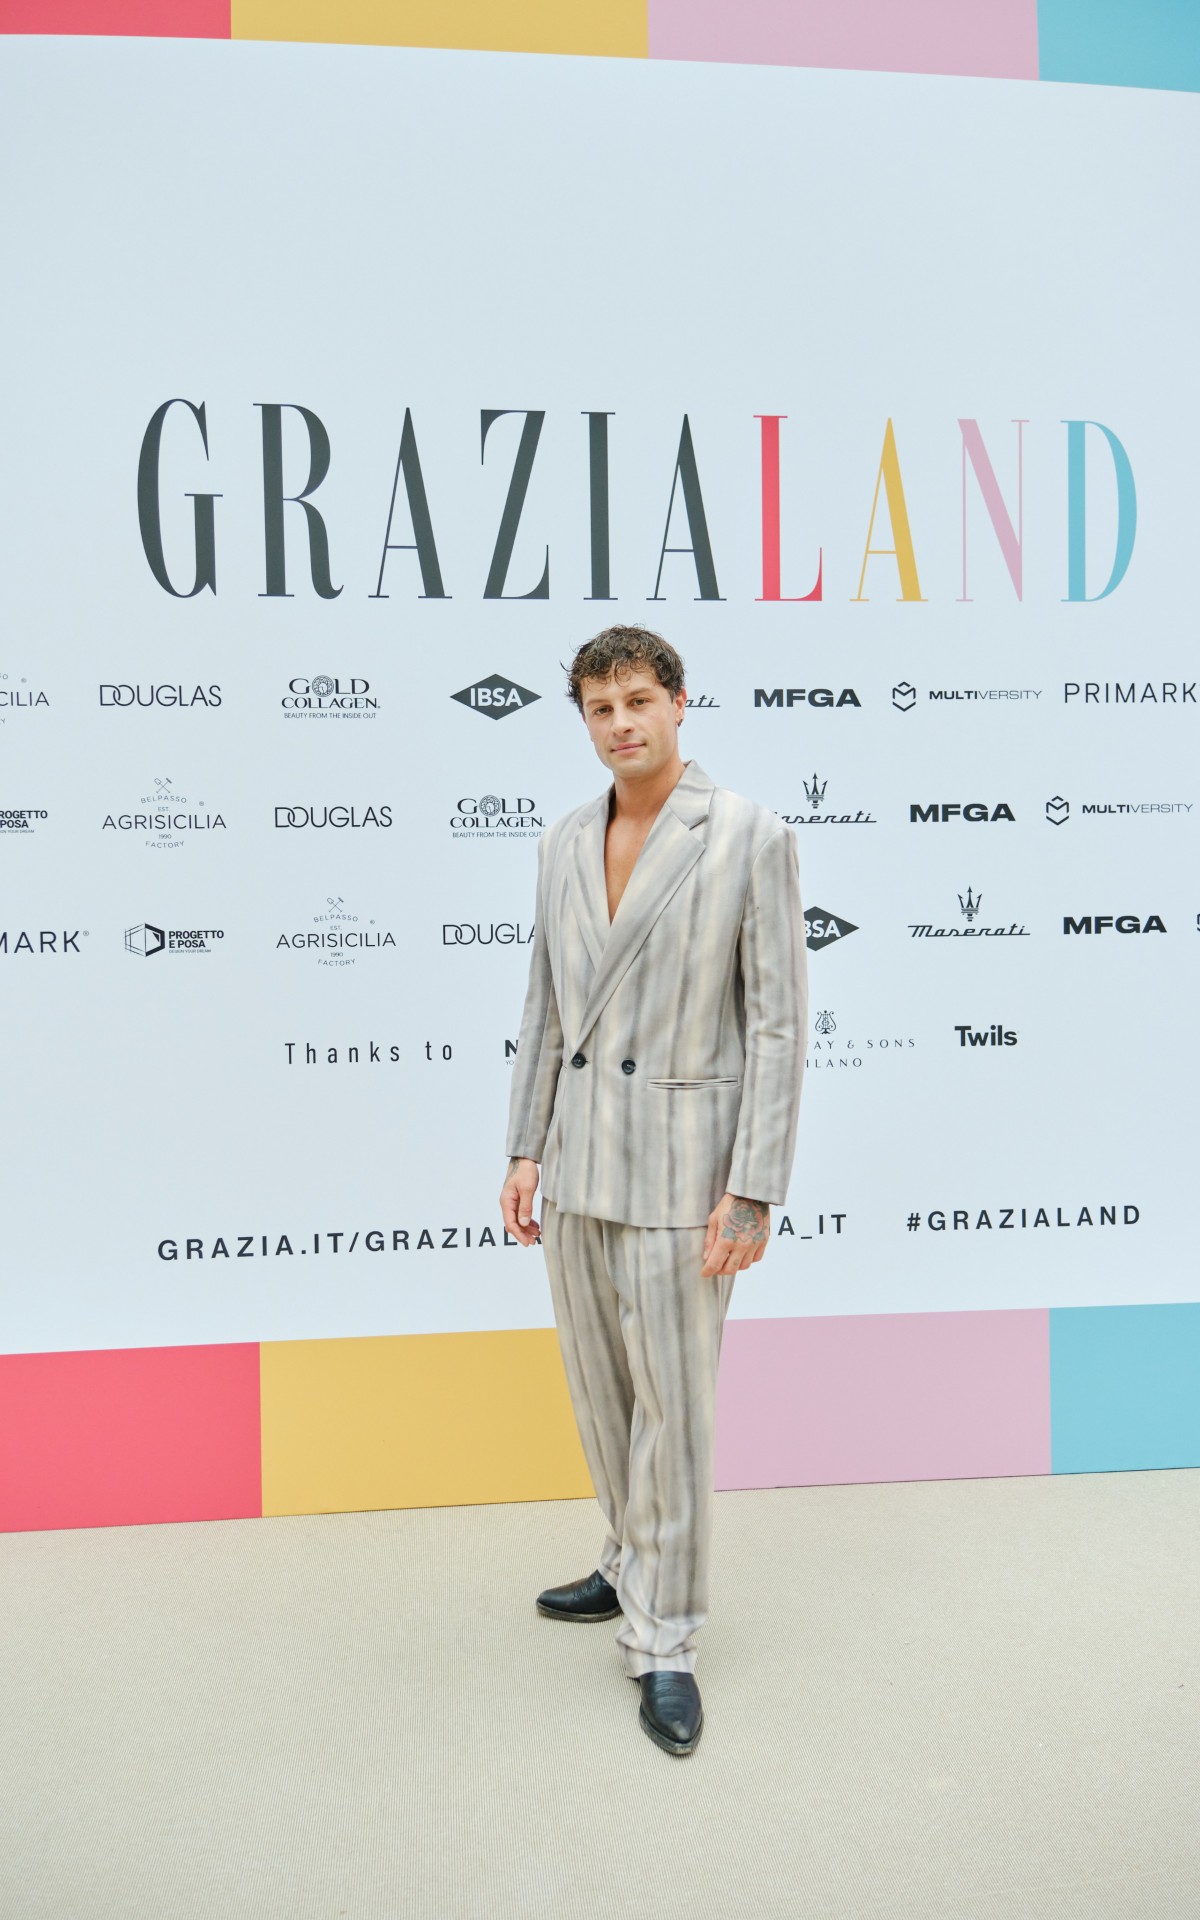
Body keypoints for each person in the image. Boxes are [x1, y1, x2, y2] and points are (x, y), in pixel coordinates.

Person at [499, 624, 807, 1756]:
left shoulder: (747, 835)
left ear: (680, 703)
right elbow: (546, 1007)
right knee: (602, 1395)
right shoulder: (562, 841)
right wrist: (524, 1147)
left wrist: (755, 1188)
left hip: (686, 1173)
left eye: (638, 700)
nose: (621, 723)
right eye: (600, 707)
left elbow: (777, 1026)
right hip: (581, 1164)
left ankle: (666, 1637)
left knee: (674, 1413)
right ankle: (629, 1557)